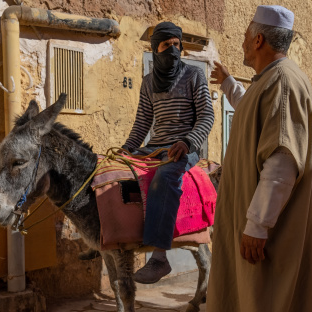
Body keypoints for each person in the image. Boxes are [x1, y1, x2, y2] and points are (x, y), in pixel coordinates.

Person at [205, 5, 312, 312]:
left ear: (258, 39)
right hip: (253, 226)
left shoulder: (282, 81)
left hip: (264, 233)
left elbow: (281, 158)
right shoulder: (270, 81)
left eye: (244, 37)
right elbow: (252, 111)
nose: (241, 44)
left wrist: (257, 224)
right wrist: (227, 82)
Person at [77, 21, 215, 284]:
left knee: (165, 177)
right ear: (155, 49)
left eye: (177, 45)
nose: (173, 50)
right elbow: (142, 122)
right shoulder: (149, 82)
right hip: (154, 147)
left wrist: (188, 141)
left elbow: (207, 116)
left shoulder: (194, 76)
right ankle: (102, 238)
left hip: (184, 148)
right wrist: (126, 150)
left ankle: (160, 257)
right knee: (108, 171)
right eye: (166, 45)